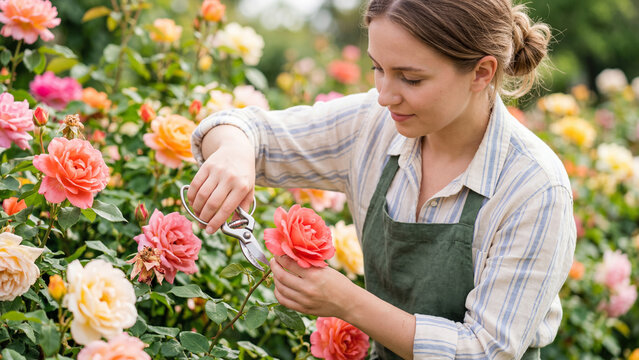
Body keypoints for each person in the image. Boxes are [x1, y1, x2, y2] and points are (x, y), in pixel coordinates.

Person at [187, 0, 576, 359]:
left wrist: (346, 301)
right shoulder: (373, 127)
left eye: (411, 79)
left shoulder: (534, 187)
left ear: (481, 72)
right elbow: (243, 128)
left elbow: (483, 350)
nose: (385, 95)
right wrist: (236, 154)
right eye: (378, 68)